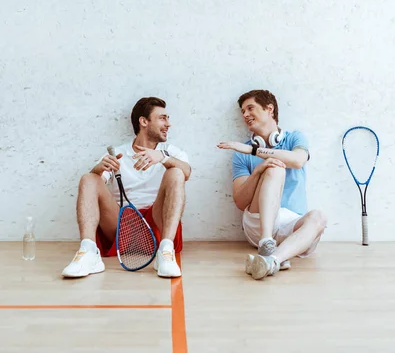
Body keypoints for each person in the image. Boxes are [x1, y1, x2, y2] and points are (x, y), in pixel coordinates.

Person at [62, 96, 191, 279]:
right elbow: (93, 184)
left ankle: (166, 251)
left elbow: (186, 172)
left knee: (176, 172)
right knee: (88, 178)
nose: (168, 124)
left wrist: (162, 158)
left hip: (157, 220)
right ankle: (89, 252)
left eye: (167, 118)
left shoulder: (172, 151)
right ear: (144, 121)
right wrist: (98, 169)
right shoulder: (118, 153)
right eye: (162, 118)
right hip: (122, 223)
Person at [218, 89, 326, 280]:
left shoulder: (294, 138)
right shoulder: (241, 153)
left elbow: (298, 160)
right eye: (242, 111)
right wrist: (259, 170)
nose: (245, 115)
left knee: (318, 218)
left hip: (291, 223)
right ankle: (266, 243)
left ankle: (272, 261)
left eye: (250, 108)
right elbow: (241, 202)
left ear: (270, 109)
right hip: (257, 224)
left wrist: (254, 151)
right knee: (275, 169)